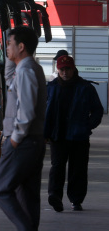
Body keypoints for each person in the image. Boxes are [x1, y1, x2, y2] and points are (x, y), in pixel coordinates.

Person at [0, 26, 47, 231]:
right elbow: (8, 79)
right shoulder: (26, 68)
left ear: (21, 47)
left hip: (22, 142)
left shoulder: (27, 71)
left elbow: (26, 109)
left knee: (0, 189)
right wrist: (9, 55)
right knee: (27, 196)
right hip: (32, 142)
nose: (7, 48)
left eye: (10, 43)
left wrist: (13, 139)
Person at [44, 55, 103, 212]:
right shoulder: (51, 87)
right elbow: (44, 112)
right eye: (62, 69)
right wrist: (45, 133)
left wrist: (87, 126)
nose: (65, 72)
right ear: (58, 70)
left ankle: (76, 200)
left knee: (78, 169)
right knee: (57, 167)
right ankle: (55, 196)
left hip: (79, 136)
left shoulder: (85, 88)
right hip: (58, 135)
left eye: (68, 69)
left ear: (73, 69)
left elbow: (97, 110)